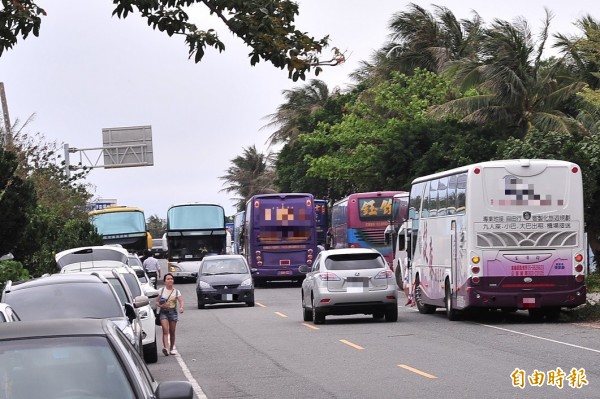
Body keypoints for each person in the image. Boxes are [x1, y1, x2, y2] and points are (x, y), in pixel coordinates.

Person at [156, 273, 184, 356]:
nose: (170, 280)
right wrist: (161, 305)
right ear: (164, 281)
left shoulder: (176, 292)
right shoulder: (161, 291)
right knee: (165, 330)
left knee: (172, 331)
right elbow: (156, 301)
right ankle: (166, 348)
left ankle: (171, 348)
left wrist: (181, 307)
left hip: (173, 312)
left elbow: (181, 300)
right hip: (163, 312)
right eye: (168, 279)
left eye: (171, 279)